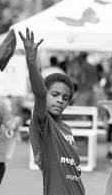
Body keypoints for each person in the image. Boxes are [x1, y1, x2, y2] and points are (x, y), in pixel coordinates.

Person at [19, 28, 85, 195]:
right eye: (54, 95)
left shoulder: (66, 129)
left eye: (65, 97)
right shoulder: (43, 122)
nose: (60, 100)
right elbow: (40, 93)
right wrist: (31, 62)